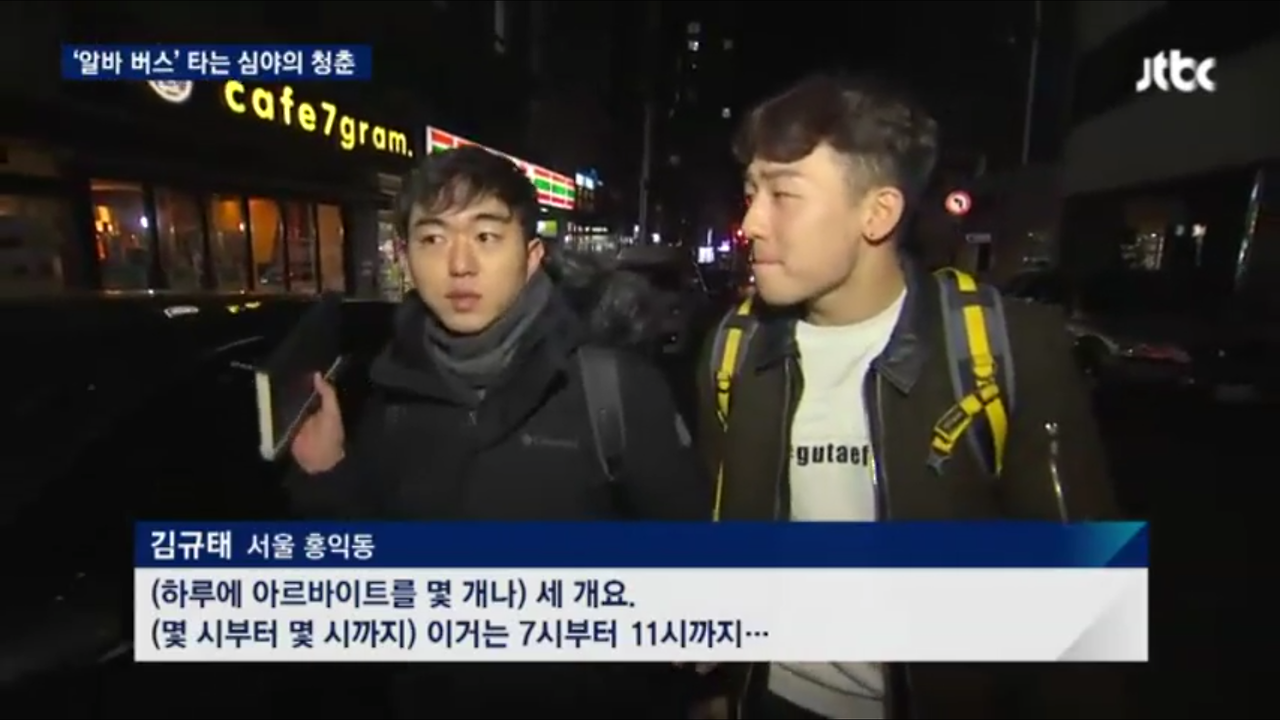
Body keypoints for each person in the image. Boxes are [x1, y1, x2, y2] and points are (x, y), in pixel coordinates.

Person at [692, 75, 1123, 719]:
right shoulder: (733, 348)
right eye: (752, 192)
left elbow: (1086, 620)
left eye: (783, 195)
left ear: (879, 213)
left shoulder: (1006, 350)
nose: (750, 222)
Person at [287, 146, 709, 718]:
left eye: (486, 236)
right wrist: (327, 475)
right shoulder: (388, 396)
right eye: (433, 239)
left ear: (531, 256)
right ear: (405, 257)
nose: (459, 264)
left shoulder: (614, 388)